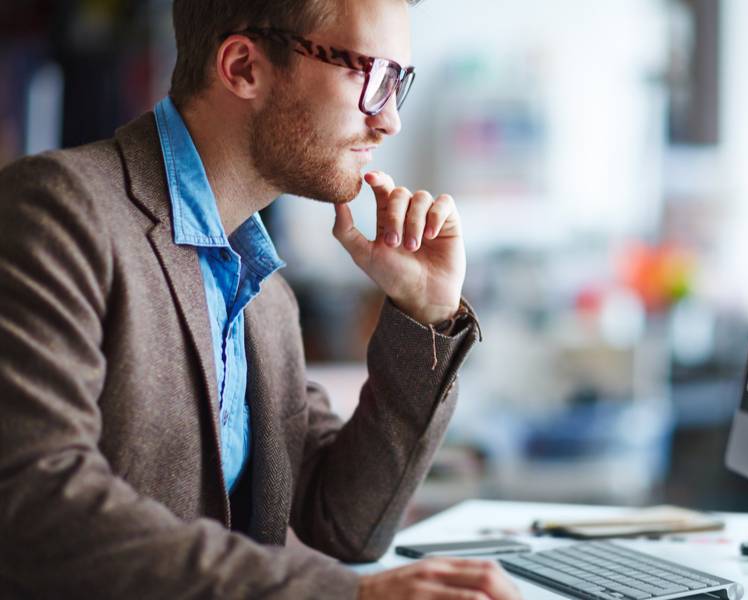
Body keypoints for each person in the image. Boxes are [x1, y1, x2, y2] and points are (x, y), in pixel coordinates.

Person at [0, 0, 521, 597]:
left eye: (397, 84)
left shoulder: (264, 289)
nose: (389, 121)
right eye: (371, 75)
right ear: (244, 66)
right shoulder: (58, 212)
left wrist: (425, 313)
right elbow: (34, 505)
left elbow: (347, 525)